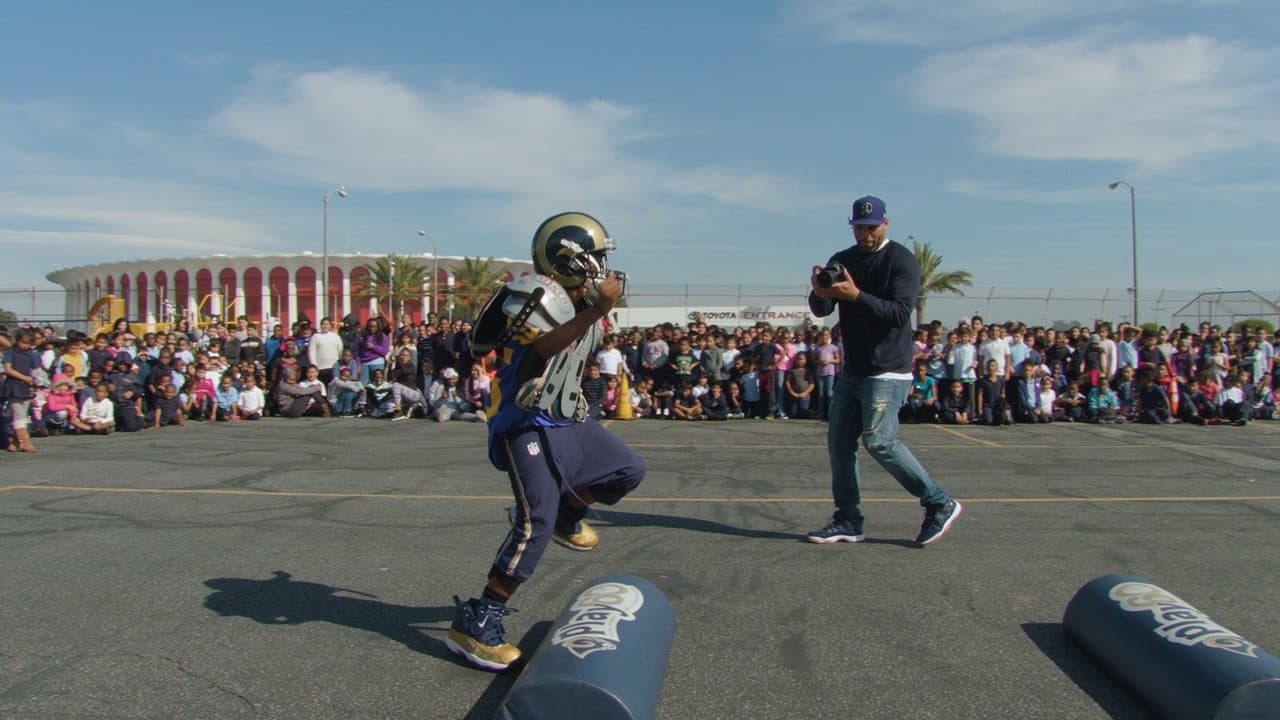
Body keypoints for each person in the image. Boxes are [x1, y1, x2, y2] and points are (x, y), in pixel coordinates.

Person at [448, 212, 645, 671]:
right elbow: (538, 354)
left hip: (566, 415)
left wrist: (595, 309)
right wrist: (596, 311)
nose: (602, 267)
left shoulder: (582, 299)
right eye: (594, 259)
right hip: (527, 420)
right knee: (535, 519)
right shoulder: (537, 295)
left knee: (628, 470)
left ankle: (569, 514)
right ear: (568, 260)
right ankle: (478, 620)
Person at [805, 196, 960, 547]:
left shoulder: (901, 261)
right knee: (839, 444)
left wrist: (856, 294)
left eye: (871, 227)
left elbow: (898, 313)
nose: (865, 234)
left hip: (888, 370)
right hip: (854, 369)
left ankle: (938, 501)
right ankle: (848, 519)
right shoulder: (842, 260)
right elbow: (822, 308)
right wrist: (818, 291)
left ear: (885, 223)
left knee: (879, 440)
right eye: (859, 227)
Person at [3, 328, 40, 452]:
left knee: (22, 416)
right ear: (17, 340)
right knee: (18, 415)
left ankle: (15, 442)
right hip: (13, 386)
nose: (26, 345)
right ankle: (25, 442)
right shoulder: (10, 352)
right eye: (23, 342)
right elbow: (7, 369)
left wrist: (35, 381)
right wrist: (24, 377)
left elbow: (36, 370)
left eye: (28, 343)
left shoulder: (32, 354)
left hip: (27, 387)